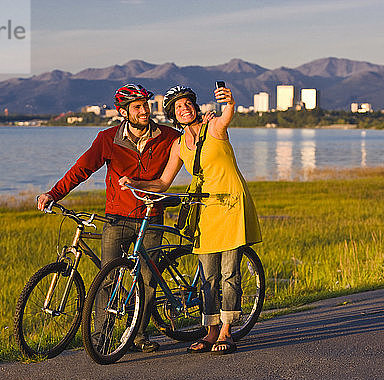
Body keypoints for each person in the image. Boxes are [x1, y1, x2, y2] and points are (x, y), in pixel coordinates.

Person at [37, 83, 182, 353]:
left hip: (151, 218)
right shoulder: (107, 139)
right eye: (137, 107)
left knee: (148, 280)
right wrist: (54, 194)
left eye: (146, 105)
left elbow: (196, 147)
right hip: (116, 217)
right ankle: (102, 336)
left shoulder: (168, 136)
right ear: (123, 111)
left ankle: (138, 335)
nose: (144, 111)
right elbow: (81, 169)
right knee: (107, 277)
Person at [119, 85, 262, 355]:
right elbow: (162, 181)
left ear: (195, 108)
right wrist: (134, 182)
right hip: (204, 209)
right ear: (173, 114)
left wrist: (229, 101)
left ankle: (227, 331)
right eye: (177, 106)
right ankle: (210, 332)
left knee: (229, 273)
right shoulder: (178, 145)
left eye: (187, 104)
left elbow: (228, 113)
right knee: (208, 276)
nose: (184, 109)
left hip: (231, 204)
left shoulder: (215, 128)